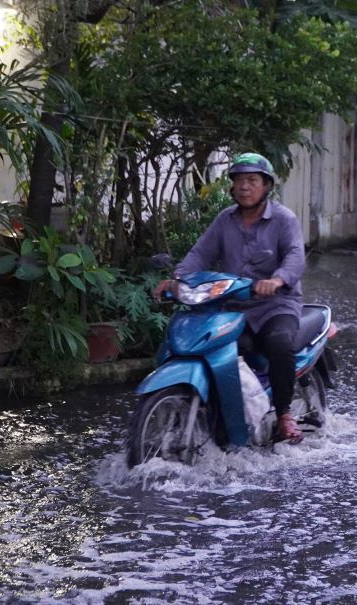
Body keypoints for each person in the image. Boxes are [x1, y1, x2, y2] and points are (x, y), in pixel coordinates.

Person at [153, 152, 307, 444]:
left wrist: (277, 280)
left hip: (275, 305)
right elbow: (200, 254)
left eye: (252, 180)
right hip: (234, 306)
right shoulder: (225, 219)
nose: (244, 187)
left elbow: (295, 256)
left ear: (266, 185)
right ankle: (226, 411)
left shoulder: (284, 219)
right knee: (214, 346)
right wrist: (178, 280)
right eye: (239, 181)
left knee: (279, 343)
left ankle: (284, 413)